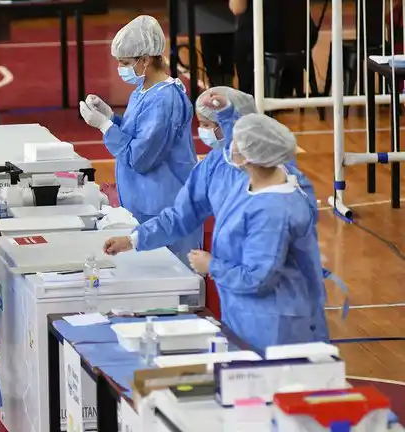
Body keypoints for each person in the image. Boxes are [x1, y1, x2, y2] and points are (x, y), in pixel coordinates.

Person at [104, 114, 328, 353]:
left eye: (238, 141)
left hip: (276, 326)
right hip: (246, 315)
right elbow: (183, 214)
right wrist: (133, 240)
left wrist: (212, 265)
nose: (231, 146)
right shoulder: (248, 188)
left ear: (253, 155)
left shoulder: (275, 210)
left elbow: (259, 278)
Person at [79, 15, 201, 267]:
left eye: (125, 62)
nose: (121, 68)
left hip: (164, 209)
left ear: (145, 59)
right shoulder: (144, 91)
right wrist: (111, 117)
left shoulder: (165, 100)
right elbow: (140, 133)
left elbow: (141, 157)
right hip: (144, 206)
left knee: (172, 284)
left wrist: (105, 127)